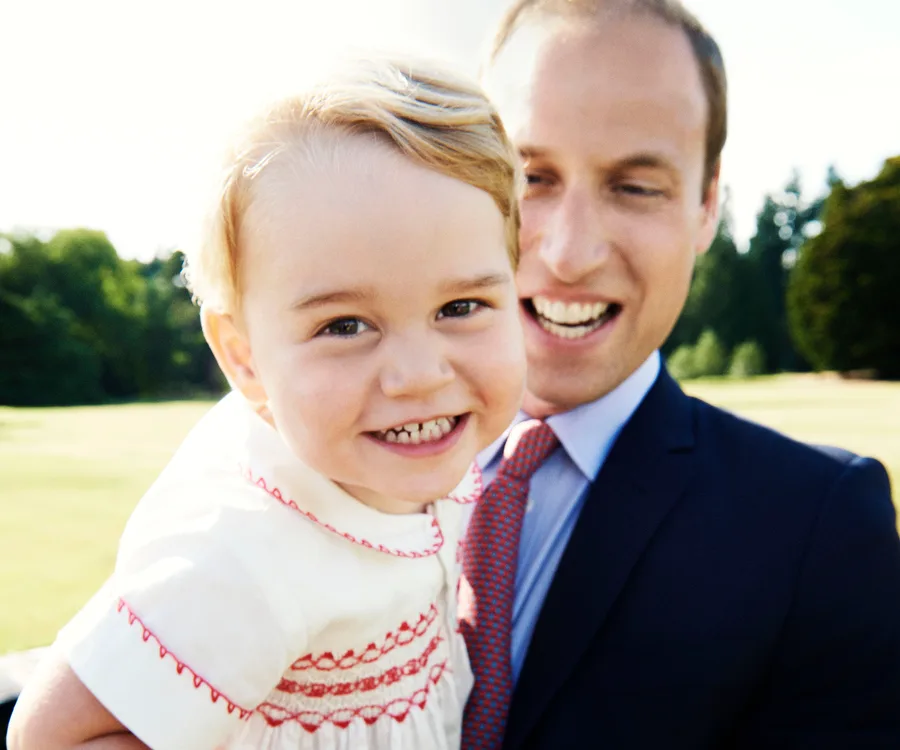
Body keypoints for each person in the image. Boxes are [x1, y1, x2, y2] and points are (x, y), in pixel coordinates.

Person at [7, 58, 527, 750]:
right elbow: (51, 737)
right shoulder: (245, 553)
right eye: (344, 325)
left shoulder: (418, 461)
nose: (419, 375)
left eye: (461, 306)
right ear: (245, 359)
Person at [458, 1, 900, 748]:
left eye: (635, 186)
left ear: (705, 206)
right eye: (531, 175)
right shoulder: (320, 468)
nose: (569, 253)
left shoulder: (818, 530)